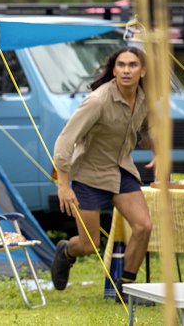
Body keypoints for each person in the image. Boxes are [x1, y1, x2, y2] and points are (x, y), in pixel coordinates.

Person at [51, 46, 153, 303]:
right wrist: (63, 185)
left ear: (143, 71)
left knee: (144, 226)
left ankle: (125, 288)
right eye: (121, 65)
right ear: (114, 69)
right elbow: (66, 139)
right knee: (89, 245)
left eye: (132, 65)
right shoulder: (98, 100)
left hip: (121, 169)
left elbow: (154, 127)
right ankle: (66, 251)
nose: (126, 70)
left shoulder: (144, 98)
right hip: (90, 174)